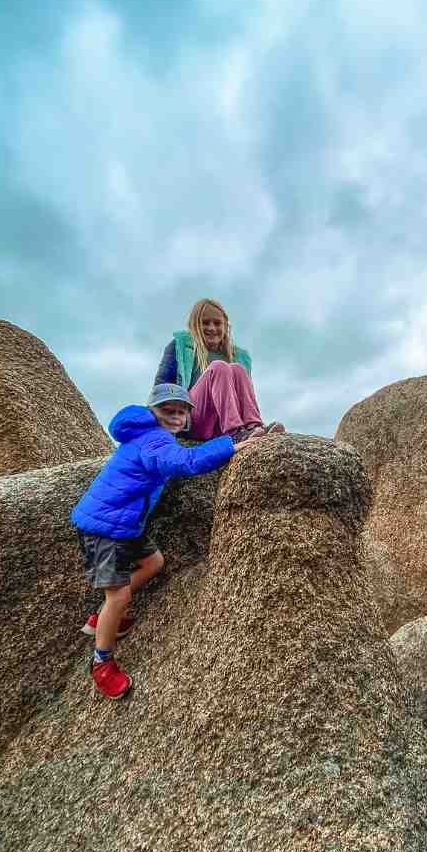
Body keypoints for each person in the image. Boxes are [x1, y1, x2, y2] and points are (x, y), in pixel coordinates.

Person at [71, 383, 258, 699]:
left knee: (153, 563)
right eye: (167, 410)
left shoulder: (149, 436)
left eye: (181, 411)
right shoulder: (153, 439)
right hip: (105, 528)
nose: (175, 417)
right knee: (118, 596)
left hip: (124, 524)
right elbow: (186, 463)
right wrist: (233, 445)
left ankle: (105, 617)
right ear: (153, 413)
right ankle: (101, 661)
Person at [154, 298, 283, 442]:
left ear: (225, 326)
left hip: (219, 425)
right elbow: (160, 389)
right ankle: (234, 433)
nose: (212, 328)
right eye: (205, 323)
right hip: (193, 421)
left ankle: (254, 427)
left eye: (217, 323)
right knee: (218, 367)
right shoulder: (180, 347)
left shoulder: (238, 356)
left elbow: (245, 399)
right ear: (195, 325)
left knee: (238, 369)